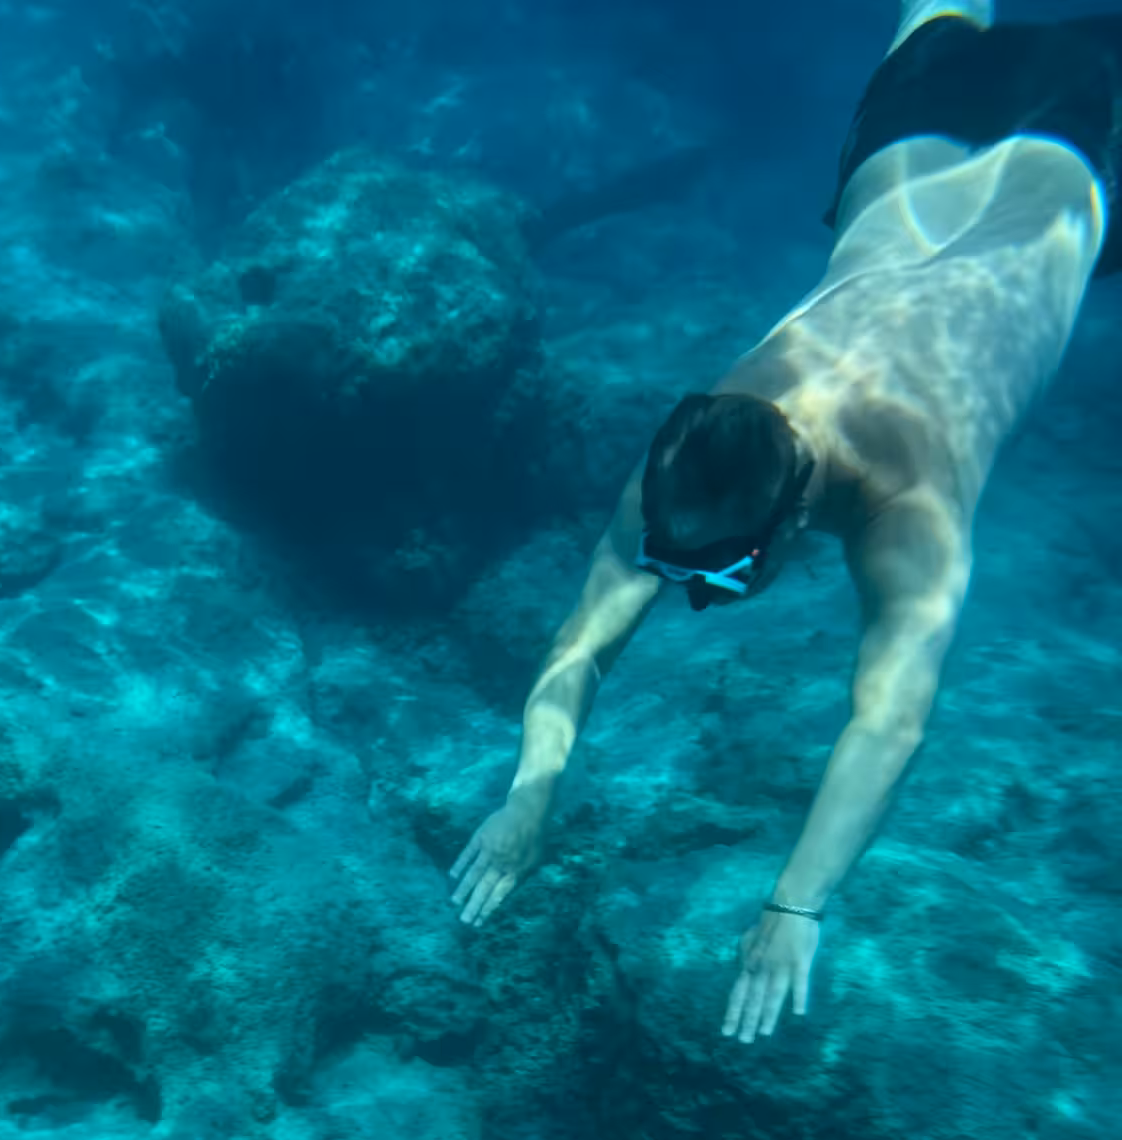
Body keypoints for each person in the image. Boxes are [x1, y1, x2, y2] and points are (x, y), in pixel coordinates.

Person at [450, 0, 1121, 1043]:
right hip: (921, 138)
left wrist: (795, 902)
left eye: (716, 583)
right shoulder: (690, 462)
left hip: (1084, 146)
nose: (692, 600)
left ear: (795, 516)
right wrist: (528, 801)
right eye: (678, 573)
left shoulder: (907, 500)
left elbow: (889, 718)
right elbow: (580, 644)